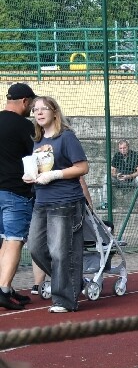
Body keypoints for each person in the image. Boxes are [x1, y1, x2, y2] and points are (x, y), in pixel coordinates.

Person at [24, 96, 88, 313]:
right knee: (36, 248)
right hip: (41, 201)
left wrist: (55, 174)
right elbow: (41, 169)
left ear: (54, 112)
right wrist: (31, 175)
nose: (39, 113)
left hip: (65, 201)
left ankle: (65, 299)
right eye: (35, 109)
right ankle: (71, 282)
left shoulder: (66, 137)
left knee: (60, 252)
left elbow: (82, 167)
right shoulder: (38, 140)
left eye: (44, 109)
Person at [0, 83, 36, 311]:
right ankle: (3, 289)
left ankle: (5, 287)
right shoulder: (24, 125)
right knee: (14, 239)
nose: (32, 108)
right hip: (15, 190)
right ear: (24, 101)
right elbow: (35, 156)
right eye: (31, 103)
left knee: (4, 239)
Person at [108, 139, 138, 208]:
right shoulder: (117, 155)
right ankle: (106, 203)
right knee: (107, 177)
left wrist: (129, 176)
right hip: (120, 180)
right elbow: (112, 171)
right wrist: (116, 175)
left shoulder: (135, 155)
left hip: (133, 180)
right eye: (120, 148)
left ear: (128, 147)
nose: (122, 150)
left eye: (124, 148)